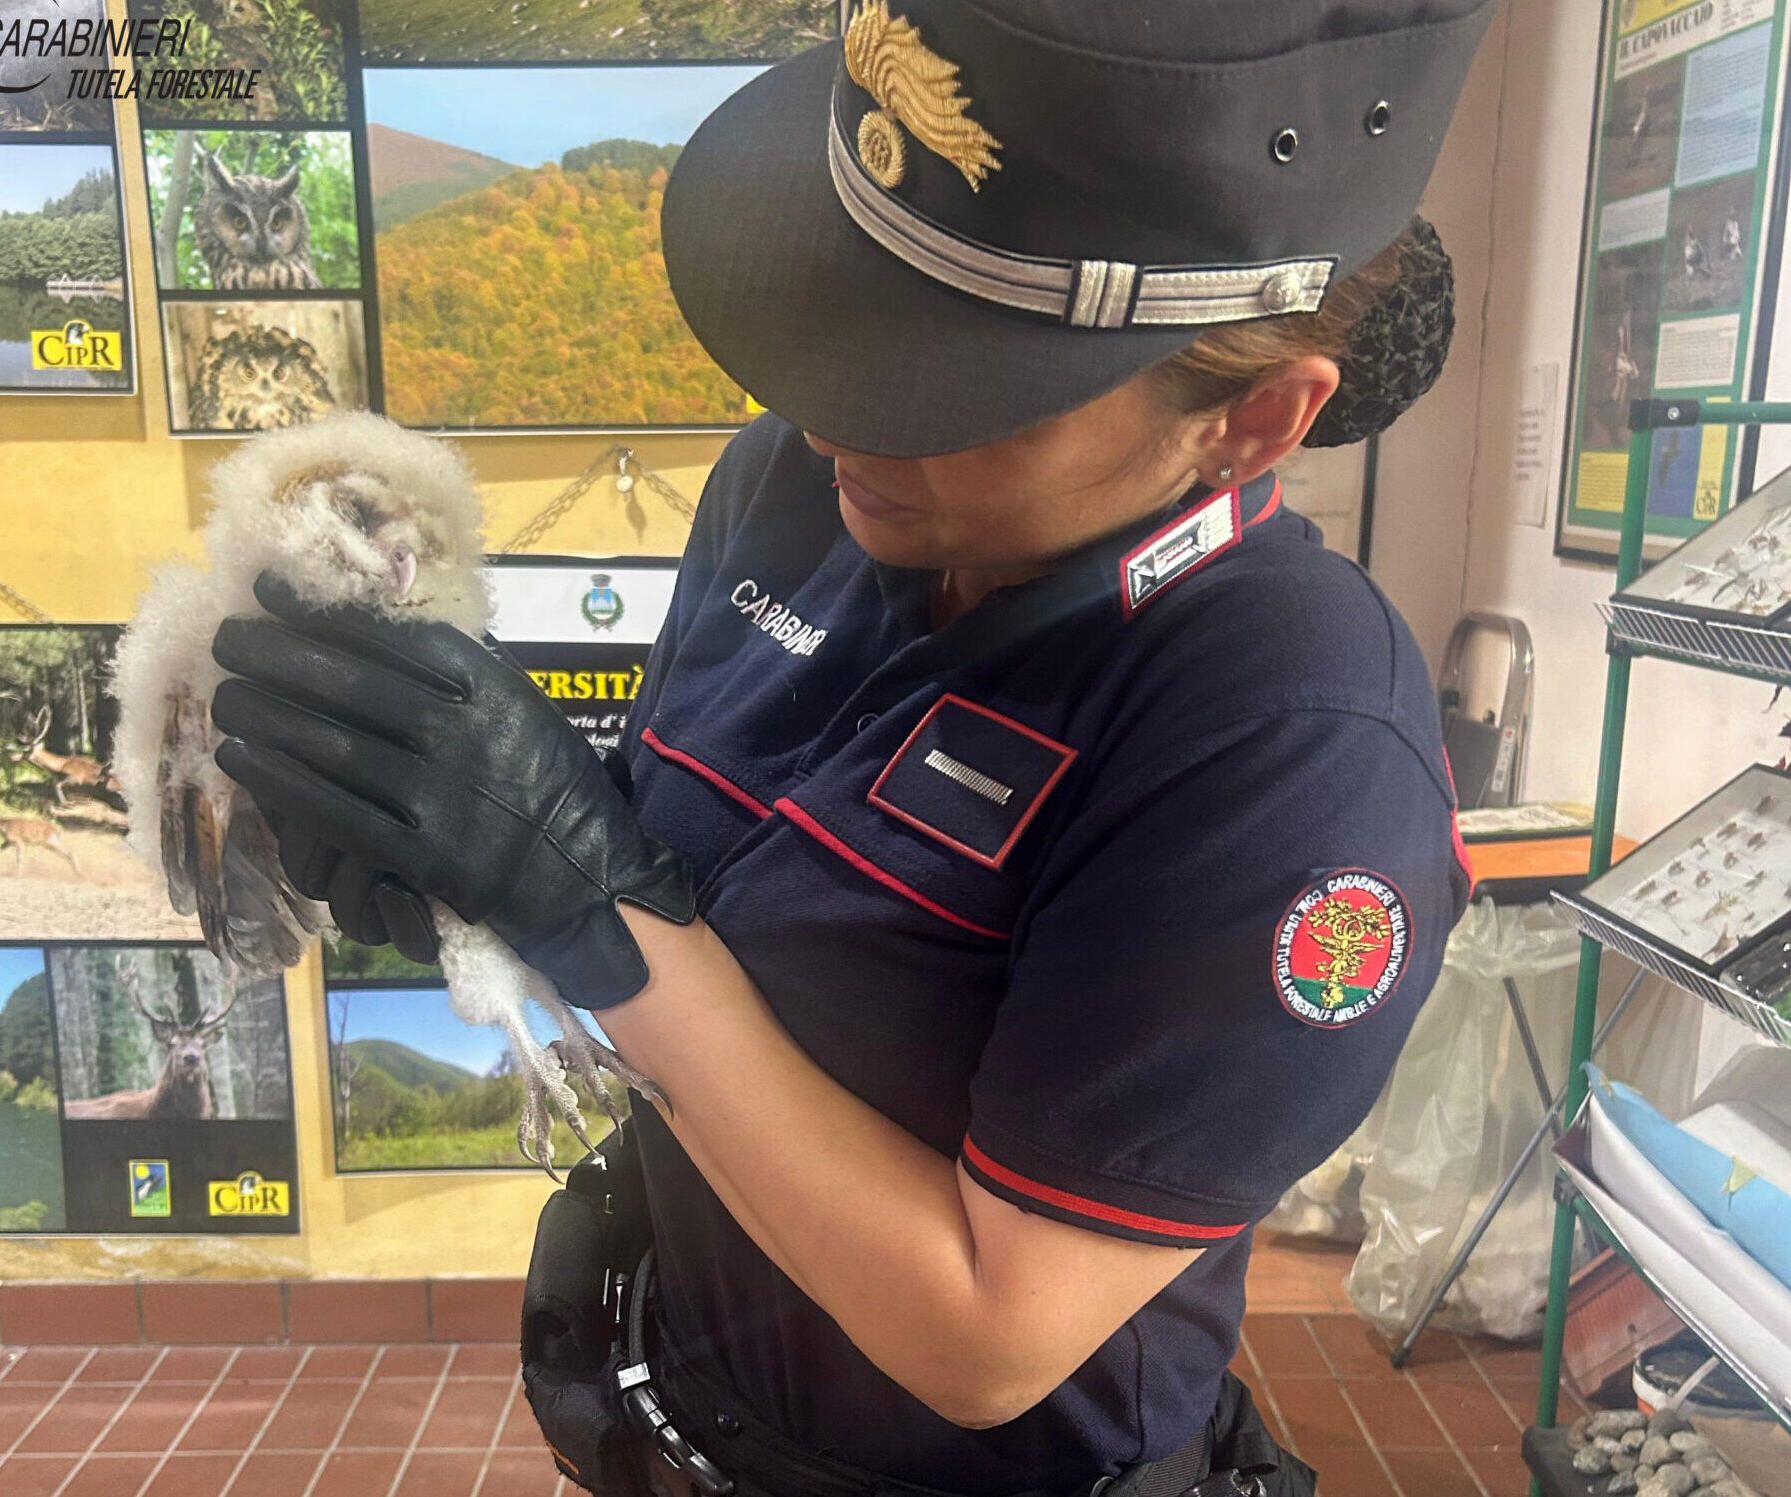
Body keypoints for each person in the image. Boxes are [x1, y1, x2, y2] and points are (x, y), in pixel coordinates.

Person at [208, 3, 1496, 1493]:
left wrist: (588, 908)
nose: (837, 416)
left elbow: (987, 1332)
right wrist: (468, 851)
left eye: (962, 388)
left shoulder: (1286, 733)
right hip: (687, 1391)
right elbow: (694, 887)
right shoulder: (802, 487)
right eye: (845, 322)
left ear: (1254, 422)